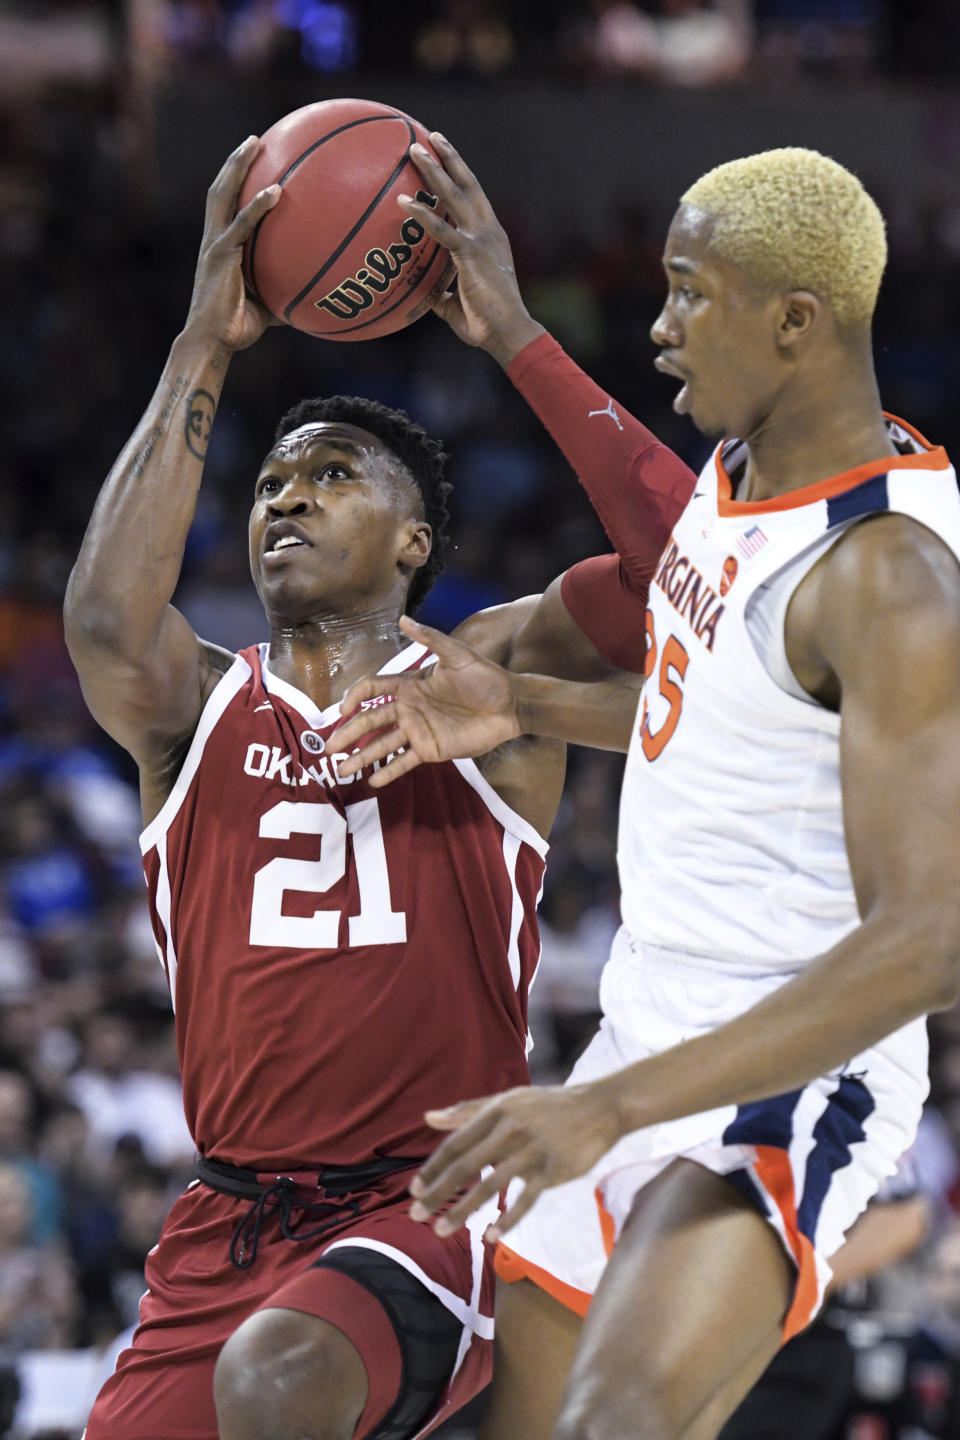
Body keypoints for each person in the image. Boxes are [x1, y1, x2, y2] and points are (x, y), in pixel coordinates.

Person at [64, 137, 696, 1440]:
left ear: (416, 538)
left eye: (334, 475)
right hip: (227, 1218)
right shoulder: (195, 708)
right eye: (274, 482)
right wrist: (204, 341)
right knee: (249, 1378)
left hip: (434, 1198)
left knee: (282, 1379)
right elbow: (108, 620)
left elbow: (699, 573)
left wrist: (515, 335)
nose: (288, 498)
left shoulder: (495, 669)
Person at [334, 139, 960, 1440]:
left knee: (613, 1424)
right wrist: (522, 706)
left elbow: (933, 942)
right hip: (644, 1030)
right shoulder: (742, 479)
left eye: (688, 294)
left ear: (795, 322)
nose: (658, 325)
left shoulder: (888, 577)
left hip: (793, 1072)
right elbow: (735, 723)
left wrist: (606, 1106)